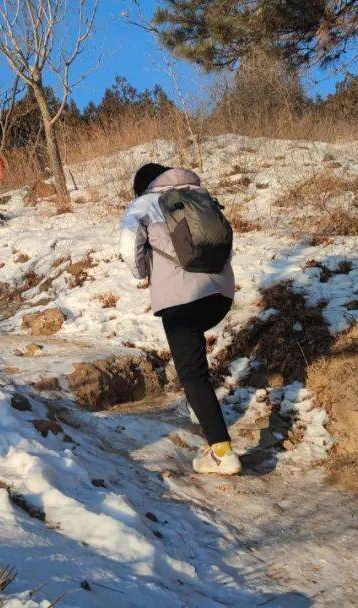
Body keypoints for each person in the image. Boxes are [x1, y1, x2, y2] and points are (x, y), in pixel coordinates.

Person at [119, 163, 240, 475]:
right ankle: (200, 408)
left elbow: (128, 249)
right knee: (194, 357)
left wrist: (143, 273)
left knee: (192, 373)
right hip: (220, 295)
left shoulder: (144, 204)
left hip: (180, 300)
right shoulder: (200, 195)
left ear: (142, 187)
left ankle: (221, 453)